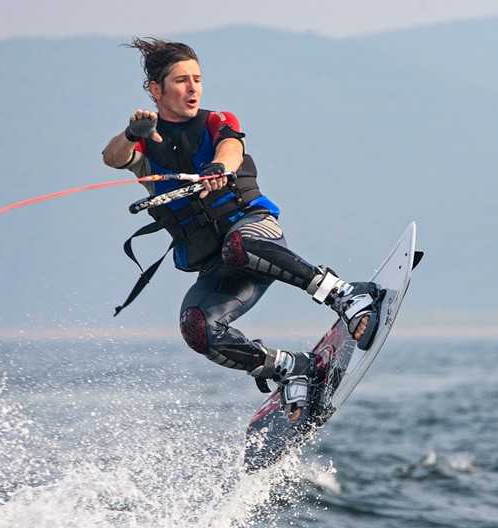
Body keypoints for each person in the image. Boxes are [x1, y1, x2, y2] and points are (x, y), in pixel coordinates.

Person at [102, 38, 383, 420]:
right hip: (220, 267)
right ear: (156, 90)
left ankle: (345, 295)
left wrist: (219, 168)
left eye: (197, 79)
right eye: (181, 80)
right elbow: (112, 157)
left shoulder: (217, 122)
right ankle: (290, 368)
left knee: (238, 245)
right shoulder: (144, 150)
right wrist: (132, 134)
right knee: (198, 326)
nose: (193, 89)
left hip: (255, 234)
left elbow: (231, 147)